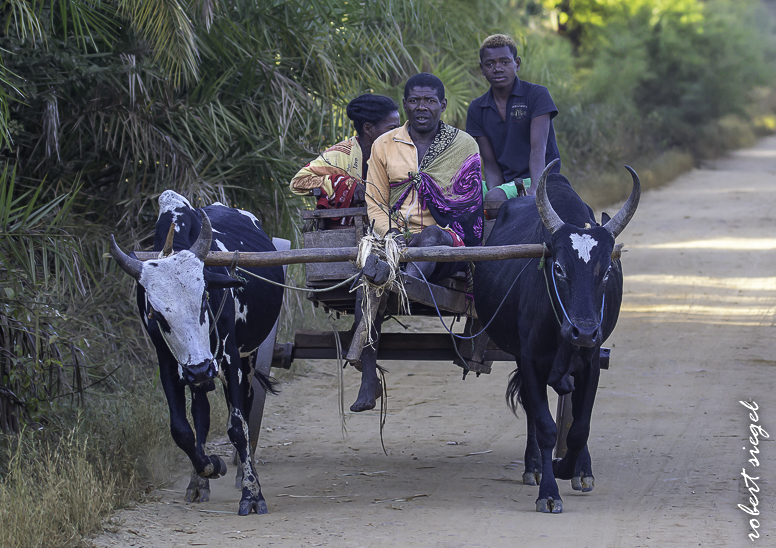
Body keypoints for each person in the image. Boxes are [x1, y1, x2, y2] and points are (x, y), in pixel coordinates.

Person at [349, 73, 482, 412]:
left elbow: (468, 204)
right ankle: (368, 378)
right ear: (405, 103)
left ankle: (398, 283)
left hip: (447, 241)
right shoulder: (384, 145)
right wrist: (388, 234)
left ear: (442, 105)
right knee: (369, 273)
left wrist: (422, 239)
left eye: (429, 100)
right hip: (392, 241)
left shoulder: (464, 145)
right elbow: (375, 199)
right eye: (415, 100)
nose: (422, 106)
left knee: (430, 238)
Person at [466, 34, 561, 202]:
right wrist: (494, 198)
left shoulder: (536, 95)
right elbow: (490, 163)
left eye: (505, 62)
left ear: (517, 64)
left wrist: (534, 189)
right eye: (490, 64)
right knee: (461, 191)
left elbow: (538, 148)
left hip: (539, 179)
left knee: (495, 197)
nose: (497, 68)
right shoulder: (477, 108)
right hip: (506, 184)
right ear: (482, 68)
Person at [289, 94, 400, 227]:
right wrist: (348, 185)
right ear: (368, 128)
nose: (398, 133)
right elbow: (298, 182)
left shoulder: (400, 152)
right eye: (392, 128)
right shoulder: (340, 154)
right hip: (347, 232)